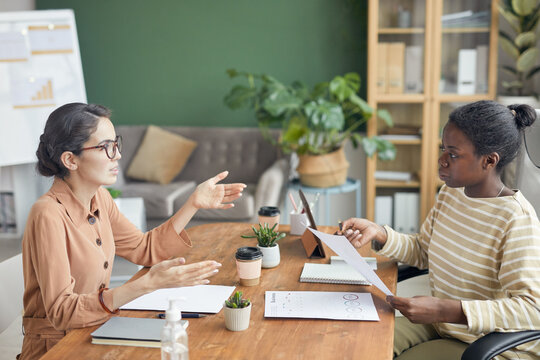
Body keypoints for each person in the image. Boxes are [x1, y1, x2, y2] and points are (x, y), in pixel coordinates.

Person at [19, 103, 247, 359]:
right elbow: (62, 312)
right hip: (57, 348)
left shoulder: (100, 198)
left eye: (115, 144)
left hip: (95, 330)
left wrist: (193, 203)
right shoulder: (47, 213)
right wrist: (146, 285)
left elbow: (143, 249)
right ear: (70, 159)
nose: (117, 155)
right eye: (105, 147)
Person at [341, 101, 540, 360]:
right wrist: (380, 232)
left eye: (453, 154)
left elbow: (532, 309)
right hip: (444, 325)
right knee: (353, 345)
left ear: (489, 161)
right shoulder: (451, 194)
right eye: (442, 149)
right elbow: (424, 251)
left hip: (488, 342)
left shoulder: (515, 219)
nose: (441, 160)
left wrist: (447, 310)